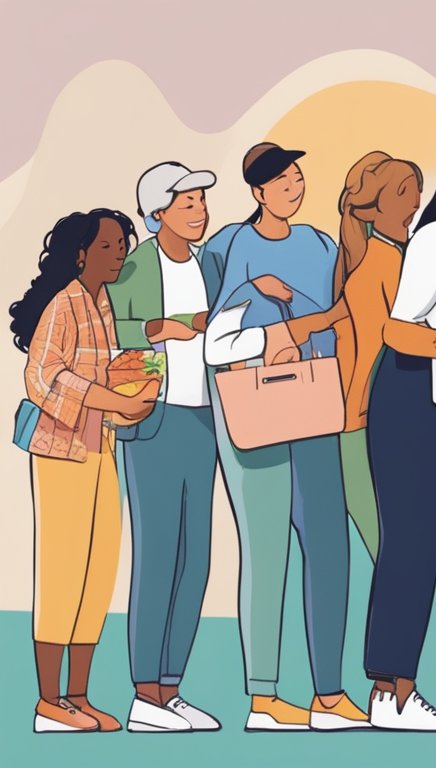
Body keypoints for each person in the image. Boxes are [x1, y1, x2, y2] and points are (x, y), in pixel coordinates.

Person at [201, 142, 368, 731]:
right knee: (266, 551)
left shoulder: (322, 245)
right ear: (258, 192)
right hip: (252, 413)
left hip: (315, 405)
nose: (295, 185)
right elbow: (212, 340)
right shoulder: (226, 248)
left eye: (299, 175)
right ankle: (265, 698)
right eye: (283, 179)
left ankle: (330, 694)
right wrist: (254, 297)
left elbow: (338, 316)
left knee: (329, 548)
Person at [330, 150, 436, 730]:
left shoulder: (369, 255)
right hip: (404, 401)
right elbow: (399, 333)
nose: (414, 204)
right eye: (402, 194)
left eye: (415, 192)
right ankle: (393, 692)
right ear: (373, 205)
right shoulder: (396, 258)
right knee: (410, 550)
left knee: (404, 550)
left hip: (386, 405)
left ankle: (391, 687)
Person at [9, 209, 156, 733]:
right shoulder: (64, 303)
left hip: (100, 449)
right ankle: (49, 702)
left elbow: (95, 368)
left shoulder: (100, 304)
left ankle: (78, 695)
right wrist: (110, 395)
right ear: (80, 253)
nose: (120, 253)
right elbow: (43, 376)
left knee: (98, 573)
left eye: (122, 244)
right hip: (61, 452)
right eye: (110, 245)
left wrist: (128, 375)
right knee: (62, 571)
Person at [105, 162, 223, 733]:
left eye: (201, 201)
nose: (200, 211)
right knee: (157, 557)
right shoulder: (133, 267)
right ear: (158, 213)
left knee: (196, 557)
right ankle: (143, 693)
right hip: (154, 421)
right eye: (188, 202)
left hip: (204, 421)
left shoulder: (212, 265)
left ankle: (170, 689)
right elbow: (111, 327)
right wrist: (167, 326)